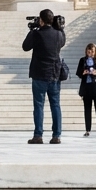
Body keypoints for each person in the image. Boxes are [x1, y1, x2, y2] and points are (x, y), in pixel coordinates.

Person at [23, 9, 66, 144]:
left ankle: (38, 135)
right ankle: (56, 136)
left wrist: (33, 30)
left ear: (41, 20)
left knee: (39, 106)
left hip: (40, 74)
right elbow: (62, 42)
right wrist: (59, 28)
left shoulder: (37, 34)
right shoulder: (59, 34)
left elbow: (25, 46)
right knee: (55, 105)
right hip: (54, 74)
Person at [77, 43, 96, 136]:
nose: (90, 53)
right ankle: (87, 129)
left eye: (92, 52)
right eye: (88, 51)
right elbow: (78, 72)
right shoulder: (83, 60)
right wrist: (83, 72)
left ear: (95, 52)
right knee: (87, 109)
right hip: (87, 87)